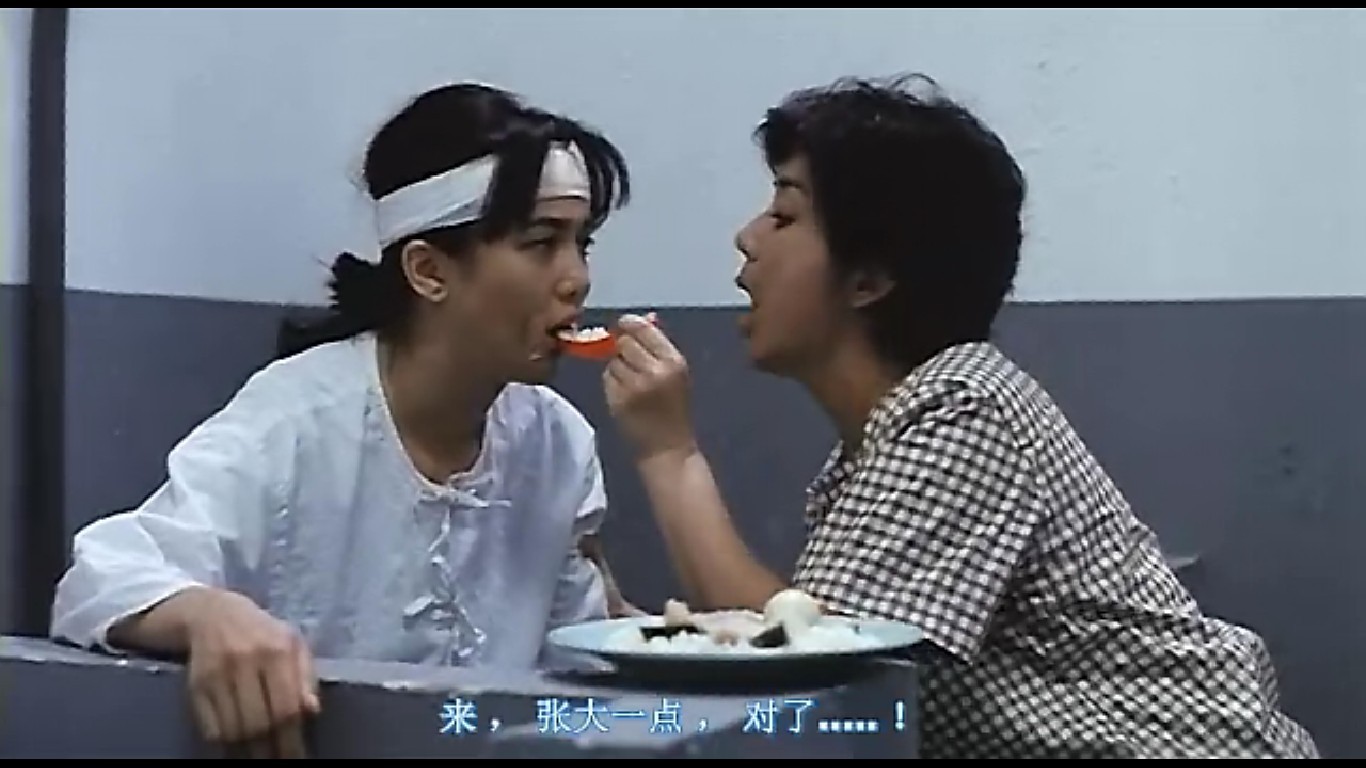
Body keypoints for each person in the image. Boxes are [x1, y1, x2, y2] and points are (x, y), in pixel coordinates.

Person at [601, 74, 1321, 759]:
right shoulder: (886, 438)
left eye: (784, 215)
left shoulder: (962, 408)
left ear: (870, 278)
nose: (747, 237)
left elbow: (805, 660)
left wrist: (669, 452)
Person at [49, 82, 636, 757]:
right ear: (428, 271)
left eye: (582, 243)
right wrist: (209, 614)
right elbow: (102, 577)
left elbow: (576, 663)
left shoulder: (558, 442)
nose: (576, 279)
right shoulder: (296, 419)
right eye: (540, 243)